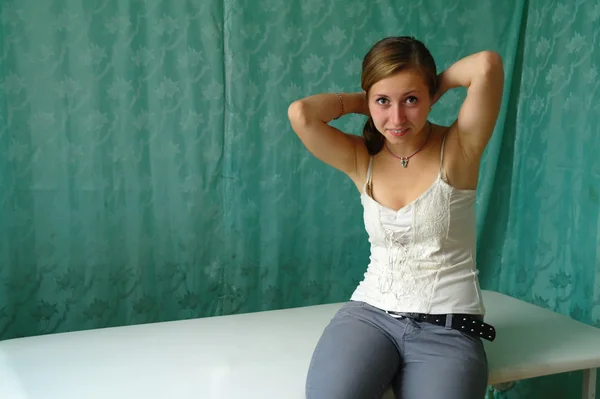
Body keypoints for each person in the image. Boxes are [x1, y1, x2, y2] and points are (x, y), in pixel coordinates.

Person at [287, 36, 504, 399]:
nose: (397, 118)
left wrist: (430, 86)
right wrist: (367, 100)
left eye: (412, 100)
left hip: (447, 328)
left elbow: (486, 65)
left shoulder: (459, 148)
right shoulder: (362, 159)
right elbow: (301, 114)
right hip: (370, 317)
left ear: (429, 97)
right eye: (384, 102)